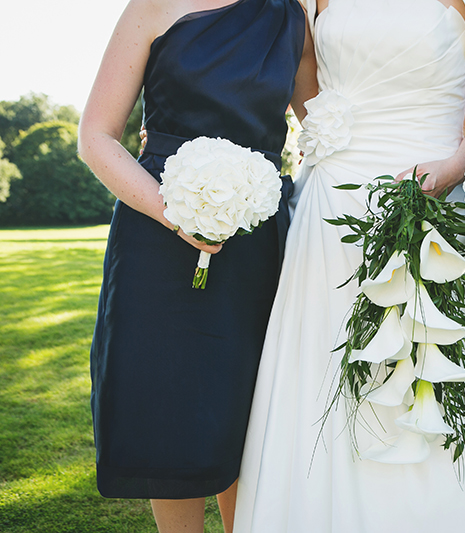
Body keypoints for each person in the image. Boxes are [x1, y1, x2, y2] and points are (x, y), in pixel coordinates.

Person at [232, 0, 465, 531]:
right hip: (333, 206)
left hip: (435, 196)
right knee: (326, 367)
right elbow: (305, 82)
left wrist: (449, 171)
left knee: (434, 368)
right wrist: (331, 141)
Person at [77, 0, 315, 531]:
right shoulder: (151, 8)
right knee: (167, 407)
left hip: (256, 238)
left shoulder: (291, 17)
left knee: (245, 411)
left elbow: (322, 127)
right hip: (156, 230)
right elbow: (94, 136)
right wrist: (177, 214)